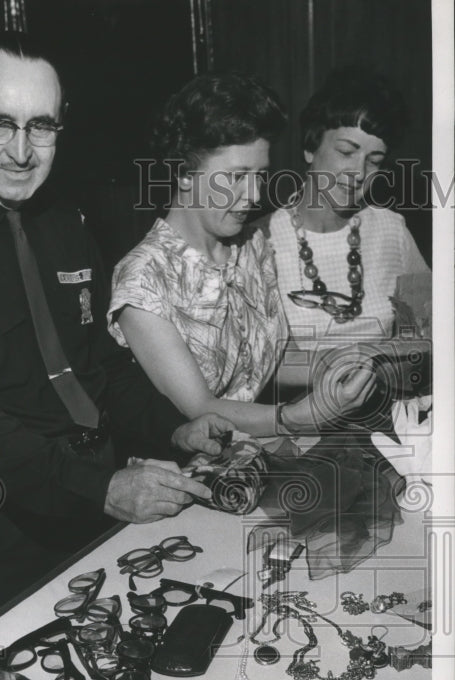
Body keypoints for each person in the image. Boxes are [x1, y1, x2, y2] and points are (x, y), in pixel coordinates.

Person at [0, 31, 231, 656]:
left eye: (41, 126)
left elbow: (102, 368)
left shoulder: (66, 220)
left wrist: (175, 428)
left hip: (93, 512)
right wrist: (100, 487)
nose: (22, 151)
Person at [107, 72, 378, 439]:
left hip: (268, 453)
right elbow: (202, 409)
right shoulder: (142, 279)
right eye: (236, 176)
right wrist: (298, 416)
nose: (253, 194)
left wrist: (339, 359)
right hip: (192, 473)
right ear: (184, 173)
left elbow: (268, 360)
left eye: (260, 175)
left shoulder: (251, 244)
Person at [257, 67, 430, 351]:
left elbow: (427, 329)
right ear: (310, 148)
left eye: (374, 161)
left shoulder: (392, 230)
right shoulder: (261, 240)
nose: (358, 172)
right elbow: (258, 368)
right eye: (346, 152)